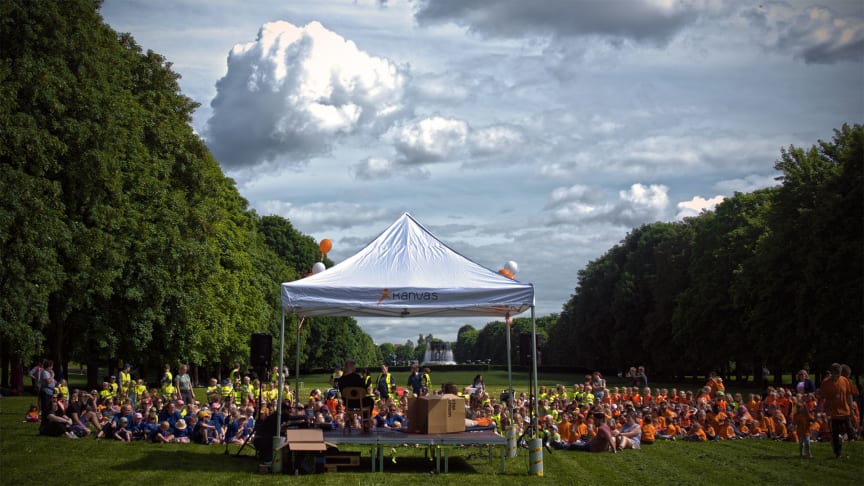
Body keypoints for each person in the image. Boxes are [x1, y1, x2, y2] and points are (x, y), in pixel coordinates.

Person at [819, 362, 855, 459]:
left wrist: (851, 408)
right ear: (832, 373)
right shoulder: (826, 383)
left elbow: (849, 395)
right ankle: (837, 453)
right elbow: (822, 398)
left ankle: (849, 448)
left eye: (839, 374)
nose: (837, 376)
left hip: (845, 411)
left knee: (850, 432)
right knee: (835, 434)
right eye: (836, 374)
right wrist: (819, 411)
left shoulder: (844, 381)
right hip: (833, 413)